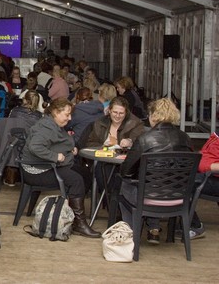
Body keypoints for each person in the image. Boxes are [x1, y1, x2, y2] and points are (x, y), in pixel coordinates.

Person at [22, 98, 101, 238]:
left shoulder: (54, 124)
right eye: (67, 114)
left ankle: (69, 215)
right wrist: (55, 156)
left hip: (49, 166)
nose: (70, 118)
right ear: (55, 112)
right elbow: (35, 147)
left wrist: (70, 149)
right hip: (37, 171)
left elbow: (57, 143)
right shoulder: (46, 128)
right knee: (76, 180)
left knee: (85, 174)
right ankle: (79, 224)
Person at [119, 98, 193, 243]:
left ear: (153, 115)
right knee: (155, 184)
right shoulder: (186, 139)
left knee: (124, 185)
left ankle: (130, 236)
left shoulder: (145, 139)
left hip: (148, 196)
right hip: (178, 196)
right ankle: (154, 227)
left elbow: (126, 172)